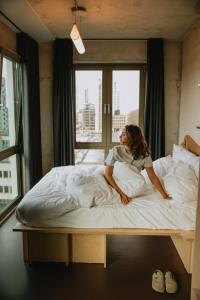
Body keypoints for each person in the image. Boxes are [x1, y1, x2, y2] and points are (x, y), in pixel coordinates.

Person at [104, 125, 171, 205]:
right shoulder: (116, 151)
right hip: (117, 179)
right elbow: (108, 174)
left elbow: (152, 177)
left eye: (124, 134)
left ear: (132, 137)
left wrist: (165, 196)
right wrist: (121, 194)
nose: (120, 136)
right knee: (120, 165)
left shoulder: (144, 154)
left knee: (141, 185)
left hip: (131, 182)